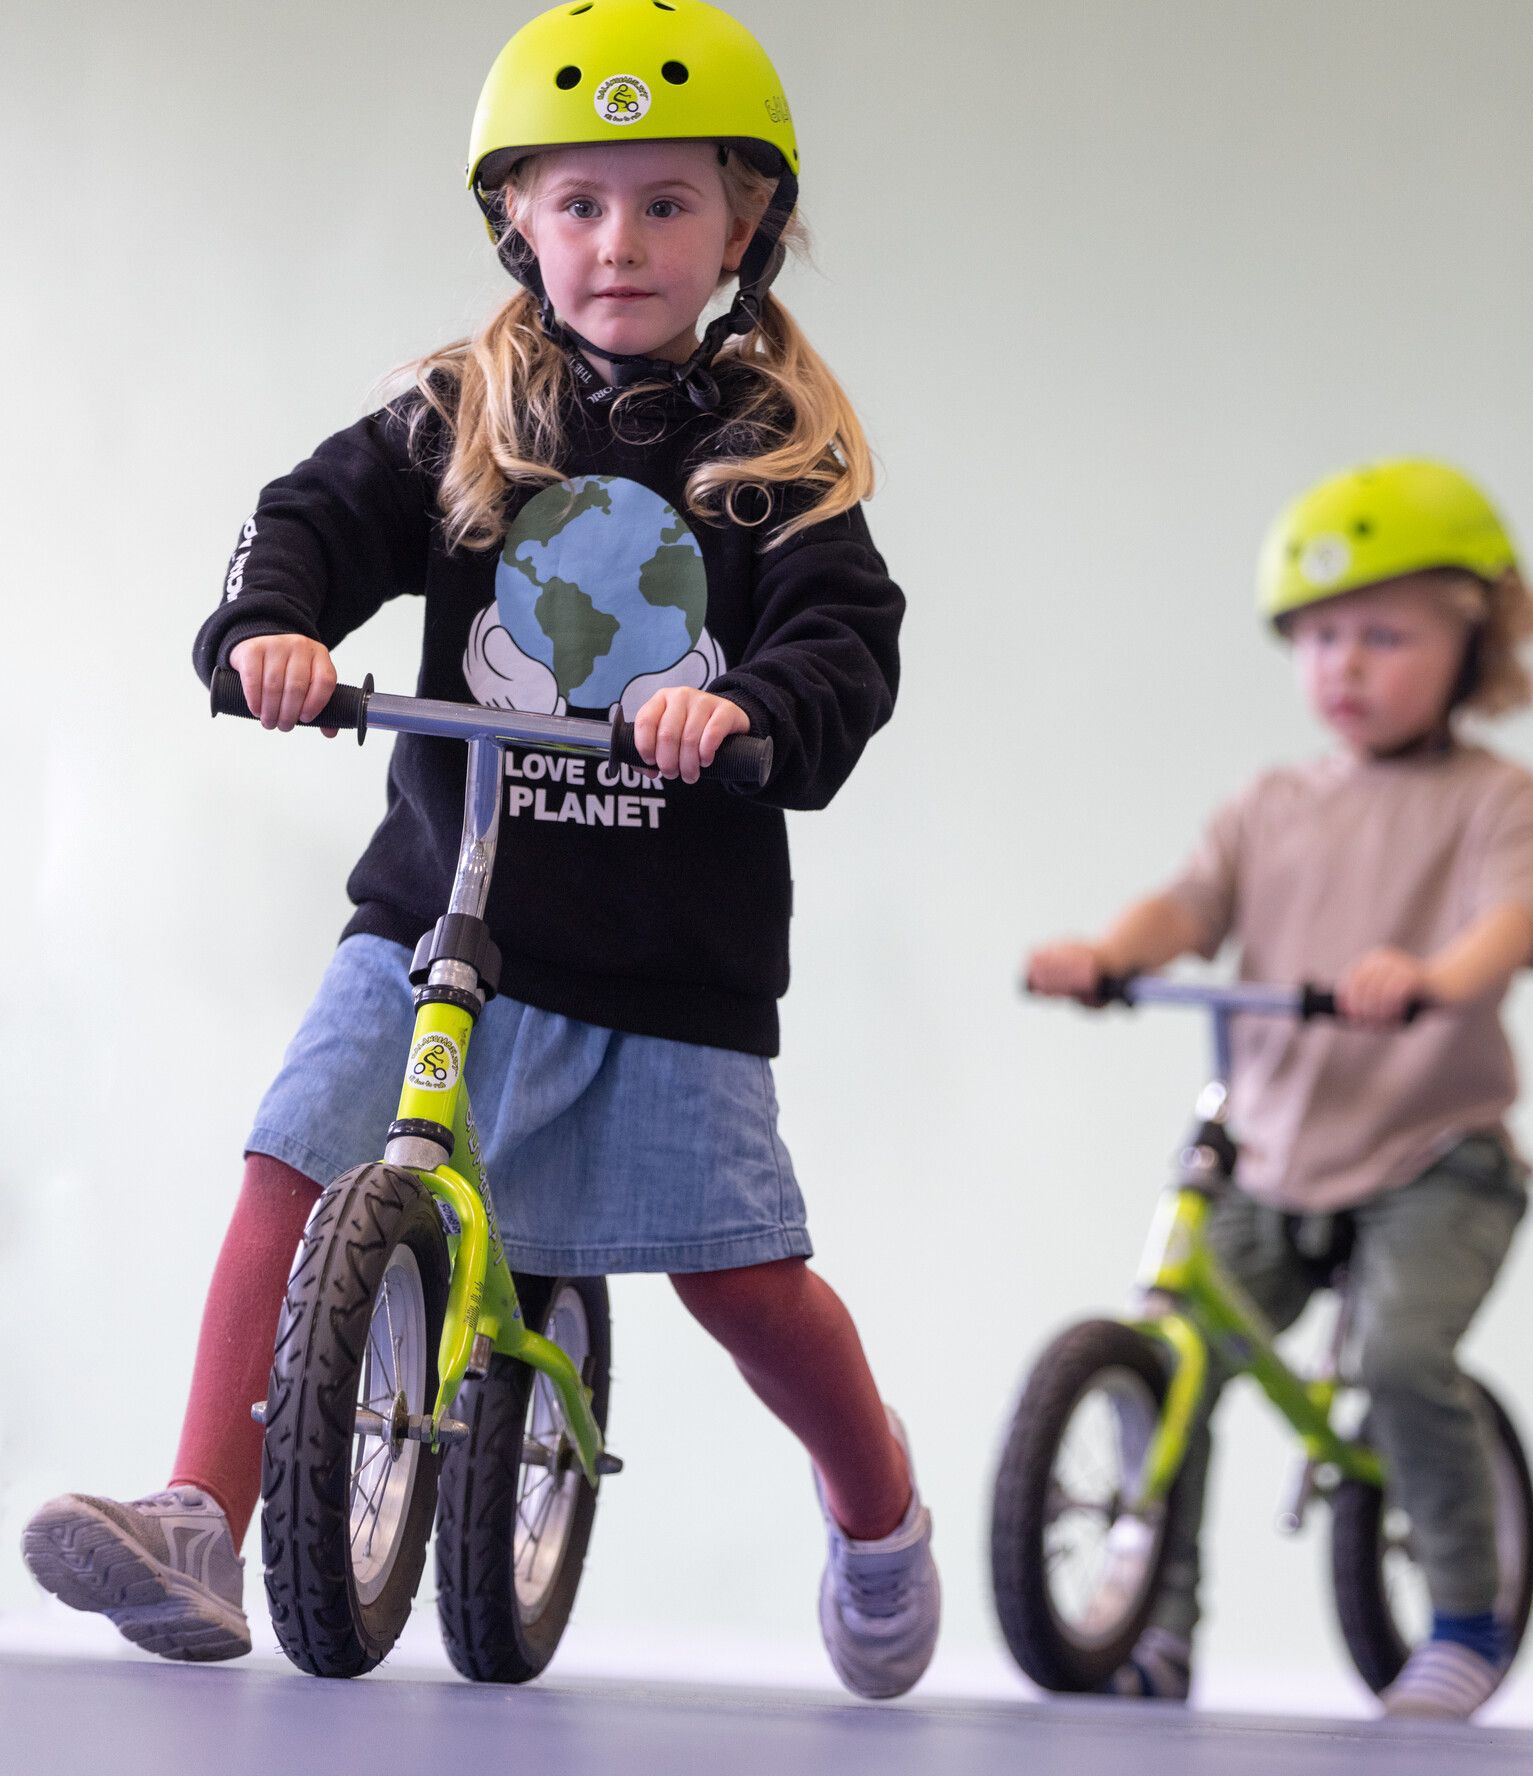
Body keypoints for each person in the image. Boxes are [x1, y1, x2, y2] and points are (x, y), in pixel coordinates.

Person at [20, 0, 938, 1699]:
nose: (619, 242)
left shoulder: (773, 459)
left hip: (667, 965)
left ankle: (873, 1502)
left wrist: (743, 712)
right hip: (441, 910)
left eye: (667, 203)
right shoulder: (467, 409)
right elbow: (308, 519)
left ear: (745, 223)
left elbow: (843, 644)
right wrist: (271, 633)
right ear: (514, 216)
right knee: (291, 1165)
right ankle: (203, 1516)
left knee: (741, 1280)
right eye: (578, 202)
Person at [1026, 459, 1533, 1722]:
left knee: (1405, 1358)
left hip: (1436, 1154)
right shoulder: (1270, 805)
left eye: (1385, 635)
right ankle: (1157, 1629)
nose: (1347, 666)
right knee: (1184, 1361)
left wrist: (1429, 977)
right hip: (1276, 1150)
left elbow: (1510, 930)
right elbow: (1188, 904)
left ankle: (1468, 1622)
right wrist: (1113, 952)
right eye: (1321, 639)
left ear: (1474, 641)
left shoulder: (1495, 798)